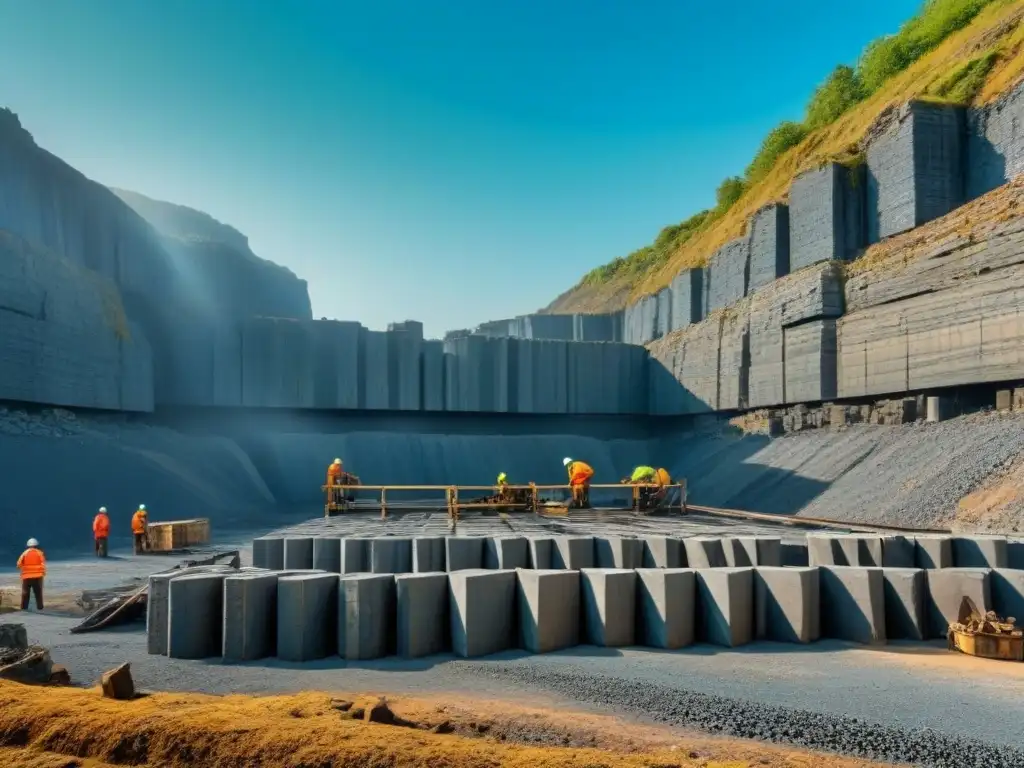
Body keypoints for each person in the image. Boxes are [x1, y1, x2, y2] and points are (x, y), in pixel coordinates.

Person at [16, 538, 46, 611]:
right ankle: (40, 607)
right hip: (37, 576)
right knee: (38, 592)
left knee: (25, 593)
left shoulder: (25, 553)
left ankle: (24, 607)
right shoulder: (40, 553)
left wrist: (23, 568)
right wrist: (42, 572)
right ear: (36, 545)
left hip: (26, 576)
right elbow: (43, 563)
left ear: (28, 545)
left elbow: (18, 564)